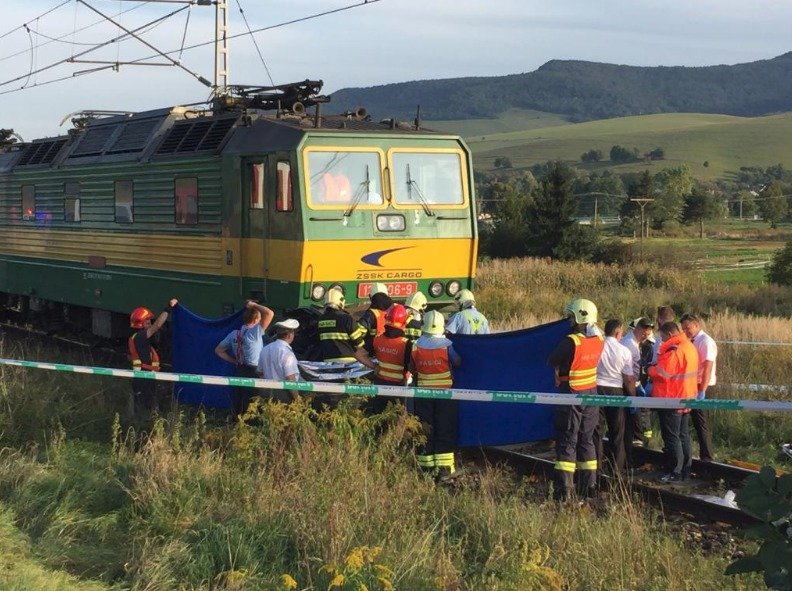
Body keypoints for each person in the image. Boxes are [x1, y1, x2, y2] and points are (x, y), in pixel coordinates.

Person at [548, 298, 604, 500]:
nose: (569, 320)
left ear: (579, 317)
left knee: (567, 440)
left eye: (571, 316)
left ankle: (565, 490)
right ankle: (589, 486)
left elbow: (552, 360)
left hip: (571, 395)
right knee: (587, 440)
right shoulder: (599, 340)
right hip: (591, 395)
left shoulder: (570, 341)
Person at [409, 310, 462, 480]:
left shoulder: (417, 345)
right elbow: (457, 362)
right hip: (445, 395)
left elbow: (411, 368)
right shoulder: (446, 346)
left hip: (423, 394)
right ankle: (445, 469)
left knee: (426, 429)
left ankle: (425, 469)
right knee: (444, 429)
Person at [648, 321, 699, 482]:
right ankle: (686, 468)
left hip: (671, 398)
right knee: (683, 434)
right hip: (686, 396)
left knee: (671, 437)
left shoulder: (674, 350)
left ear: (669, 334)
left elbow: (663, 373)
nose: (661, 340)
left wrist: (648, 369)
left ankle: (675, 471)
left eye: (662, 336)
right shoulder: (689, 346)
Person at [214, 300, 275, 418]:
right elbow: (270, 314)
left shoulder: (234, 334)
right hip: (254, 371)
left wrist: (234, 361)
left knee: (239, 399)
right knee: (253, 401)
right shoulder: (255, 332)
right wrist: (253, 305)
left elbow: (218, 350)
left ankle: (236, 423)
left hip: (239, 369)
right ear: (257, 319)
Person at [596, 319, 636, 474]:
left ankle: (596, 468)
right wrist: (632, 398)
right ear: (618, 333)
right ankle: (616, 470)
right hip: (616, 391)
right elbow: (628, 379)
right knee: (617, 432)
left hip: (596, 389)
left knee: (596, 431)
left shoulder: (597, 347)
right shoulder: (625, 351)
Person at [128, 298, 178, 416]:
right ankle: (144, 425)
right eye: (147, 322)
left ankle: (144, 422)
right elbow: (157, 325)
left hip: (144, 376)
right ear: (140, 323)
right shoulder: (140, 337)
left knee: (145, 405)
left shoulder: (137, 338)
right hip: (143, 377)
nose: (150, 323)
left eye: (150, 321)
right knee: (145, 406)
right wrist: (168, 308)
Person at [680, 313, 717, 462]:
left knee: (701, 423)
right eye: (683, 329)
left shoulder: (705, 341)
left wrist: (702, 390)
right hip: (691, 385)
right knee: (690, 422)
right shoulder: (690, 340)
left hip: (702, 385)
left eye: (688, 328)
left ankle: (706, 456)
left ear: (696, 325)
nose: (686, 332)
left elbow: (707, 367)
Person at [317, 288, 377, 369]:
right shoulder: (346, 318)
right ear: (341, 302)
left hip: (328, 361)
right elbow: (359, 342)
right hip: (348, 362)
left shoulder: (320, 319)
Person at [370, 304, 413, 413]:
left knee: (378, 417)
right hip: (398, 386)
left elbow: (359, 354)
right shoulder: (406, 343)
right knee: (395, 418)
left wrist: (373, 366)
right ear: (404, 322)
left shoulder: (377, 339)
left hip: (379, 383)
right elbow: (412, 367)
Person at [621, 317, 655, 447]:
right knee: (632, 413)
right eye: (644, 333)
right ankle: (637, 438)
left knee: (636, 412)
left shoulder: (634, 342)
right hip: (629, 383)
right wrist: (634, 386)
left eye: (648, 334)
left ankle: (637, 438)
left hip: (634, 382)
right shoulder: (629, 344)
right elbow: (628, 369)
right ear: (638, 329)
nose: (645, 337)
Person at [257, 318, 301, 403]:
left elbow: (260, 373)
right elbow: (290, 379)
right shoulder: (287, 353)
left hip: (267, 394)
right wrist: (297, 398)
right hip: (284, 395)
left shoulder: (265, 349)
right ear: (289, 335)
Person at [358, 282, 394, 355]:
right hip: (393, 352)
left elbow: (359, 333)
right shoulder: (396, 311)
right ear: (387, 295)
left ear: (370, 297)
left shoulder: (370, 314)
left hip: (373, 352)